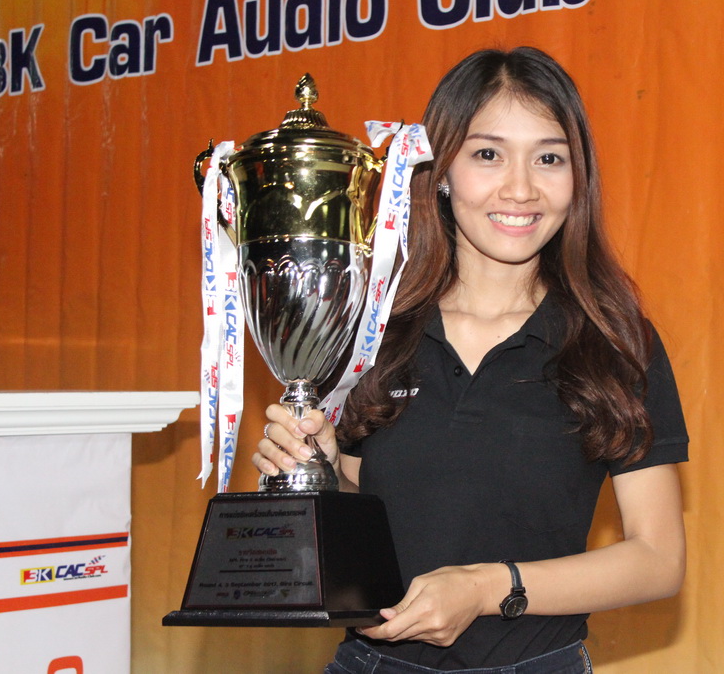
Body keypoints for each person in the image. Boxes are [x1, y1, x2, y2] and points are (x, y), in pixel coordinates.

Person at [253, 46, 689, 673]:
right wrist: (317, 472)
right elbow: (364, 509)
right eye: (488, 154)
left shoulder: (614, 340)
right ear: (442, 171)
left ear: (578, 178)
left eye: (549, 158)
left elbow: (657, 558)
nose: (521, 188)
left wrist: (489, 588)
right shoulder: (372, 331)